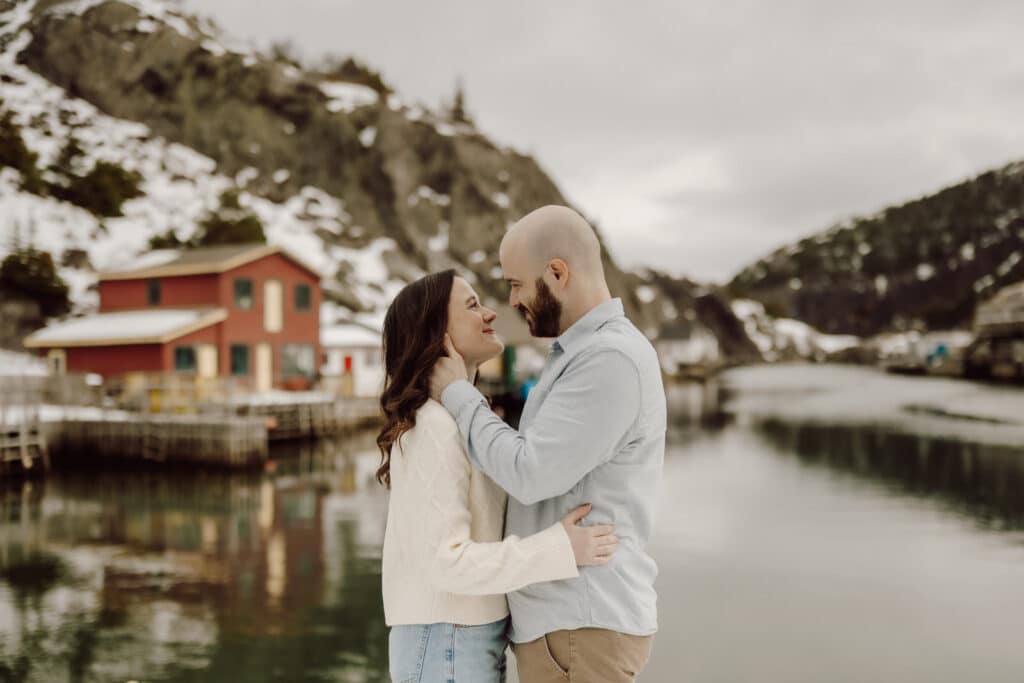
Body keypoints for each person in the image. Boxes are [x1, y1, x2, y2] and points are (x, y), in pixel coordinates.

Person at [430, 205, 667, 682]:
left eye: (517, 284)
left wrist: (458, 394)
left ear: (557, 272)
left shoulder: (608, 360)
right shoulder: (581, 354)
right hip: (571, 626)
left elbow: (531, 472)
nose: (511, 301)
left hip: (581, 624)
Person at [379, 269, 620, 683]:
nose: (490, 312)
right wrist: (558, 549)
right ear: (438, 333)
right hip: (446, 640)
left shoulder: (456, 419)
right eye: (472, 305)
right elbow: (448, 562)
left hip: (460, 637)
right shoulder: (434, 427)